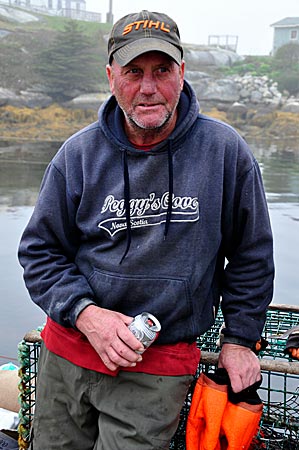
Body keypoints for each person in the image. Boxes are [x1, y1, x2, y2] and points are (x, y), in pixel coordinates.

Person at [18, 9, 274, 450]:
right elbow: (39, 253)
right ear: (111, 76)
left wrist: (239, 339)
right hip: (69, 355)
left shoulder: (225, 152)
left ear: (182, 73)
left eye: (162, 70)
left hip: (159, 367)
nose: (149, 87)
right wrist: (86, 314)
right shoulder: (77, 155)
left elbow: (251, 256)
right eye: (134, 71)